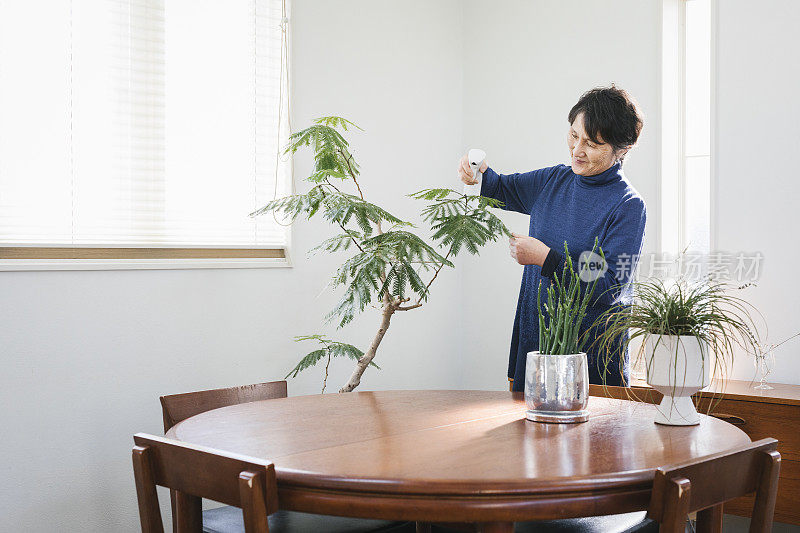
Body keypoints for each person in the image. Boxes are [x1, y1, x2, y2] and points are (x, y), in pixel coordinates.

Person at [458, 85, 647, 391]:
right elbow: (498, 188)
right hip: (537, 340)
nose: (577, 150)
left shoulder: (628, 205)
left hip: (591, 356)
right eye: (574, 135)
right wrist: (474, 167)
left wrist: (546, 259)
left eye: (592, 143)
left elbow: (610, 287)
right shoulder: (554, 180)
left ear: (622, 149)